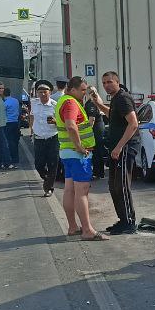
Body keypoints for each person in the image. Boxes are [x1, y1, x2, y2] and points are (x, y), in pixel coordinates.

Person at [55, 76, 106, 241]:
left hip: (66, 152)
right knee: (82, 192)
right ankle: (87, 230)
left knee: (69, 190)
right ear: (72, 89)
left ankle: (73, 227)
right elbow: (70, 125)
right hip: (77, 154)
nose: (85, 93)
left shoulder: (64, 100)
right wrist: (79, 147)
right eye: (83, 90)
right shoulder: (71, 103)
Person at [90, 71, 140, 234]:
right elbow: (111, 114)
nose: (106, 85)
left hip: (125, 147)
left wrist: (119, 147)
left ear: (117, 82)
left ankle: (130, 222)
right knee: (113, 186)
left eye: (110, 82)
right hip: (115, 148)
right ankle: (123, 219)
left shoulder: (123, 98)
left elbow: (133, 124)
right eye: (104, 83)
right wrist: (98, 103)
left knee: (122, 185)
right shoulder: (116, 99)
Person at [29, 81, 59, 196]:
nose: (42, 95)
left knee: (53, 163)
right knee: (38, 164)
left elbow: (61, 122)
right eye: (40, 92)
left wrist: (55, 121)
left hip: (52, 138)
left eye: (45, 92)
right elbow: (32, 117)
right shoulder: (34, 103)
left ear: (50, 93)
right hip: (39, 138)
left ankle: (49, 187)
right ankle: (47, 179)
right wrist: (31, 131)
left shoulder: (55, 105)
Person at [4, 86, 22, 168]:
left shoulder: (4, 102)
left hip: (8, 123)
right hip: (15, 122)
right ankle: (16, 158)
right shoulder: (16, 101)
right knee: (15, 142)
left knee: (8, 142)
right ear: (10, 93)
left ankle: (9, 158)